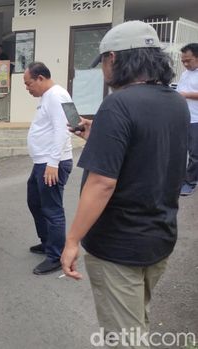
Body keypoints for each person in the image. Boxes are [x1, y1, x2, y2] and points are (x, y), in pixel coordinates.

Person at [60, 21, 189, 345]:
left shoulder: (118, 104)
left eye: (103, 61)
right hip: (159, 238)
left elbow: (102, 182)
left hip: (119, 245)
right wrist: (97, 134)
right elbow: (149, 151)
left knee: (125, 339)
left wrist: (73, 239)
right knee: (136, 322)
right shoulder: (174, 102)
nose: (103, 69)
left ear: (114, 58)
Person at [23, 61, 74, 275]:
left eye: (28, 83)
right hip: (42, 162)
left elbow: (64, 129)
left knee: (52, 209)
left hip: (53, 163)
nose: (27, 88)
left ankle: (55, 255)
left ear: (40, 78)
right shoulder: (50, 96)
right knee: (35, 202)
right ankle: (47, 242)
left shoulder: (56, 95)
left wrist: (53, 163)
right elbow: (73, 120)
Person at [178, 43, 198, 196]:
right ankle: (183, 179)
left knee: (195, 153)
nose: (185, 64)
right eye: (183, 60)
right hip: (184, 117)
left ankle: (190, 183)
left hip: (196, 120)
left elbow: (184, 93)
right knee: (181, 151)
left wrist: (185, 95)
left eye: (188, 60)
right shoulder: (185, 74)